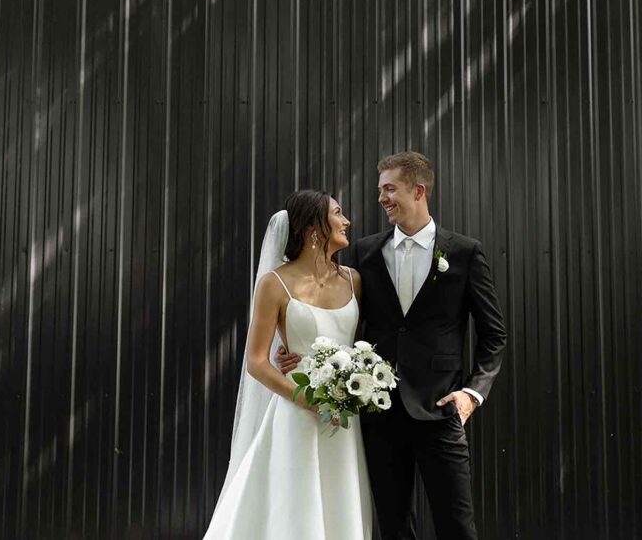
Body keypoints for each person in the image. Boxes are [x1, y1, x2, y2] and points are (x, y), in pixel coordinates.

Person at [277, 151, 508, 539]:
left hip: (440, 410)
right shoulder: (366, 253)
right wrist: (294, 348)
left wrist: (471, 393)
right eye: (380, 190)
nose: (382, 199)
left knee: (457, 527)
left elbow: (494, 334)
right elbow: (340, 319)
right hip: (377, 413)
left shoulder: (464, 252)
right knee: (393, 525)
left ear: (418, 191)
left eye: (389, 189)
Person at [204, 190, 373, 539]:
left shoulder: (353, 280)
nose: (347, 221)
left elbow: (361, 344)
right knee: (296, 506)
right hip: (298, 411)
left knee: (342, 501)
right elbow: (255, 362)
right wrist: (303, 397)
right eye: (338, 214)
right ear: (314, 228)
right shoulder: (274, 284)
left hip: (344, 417)